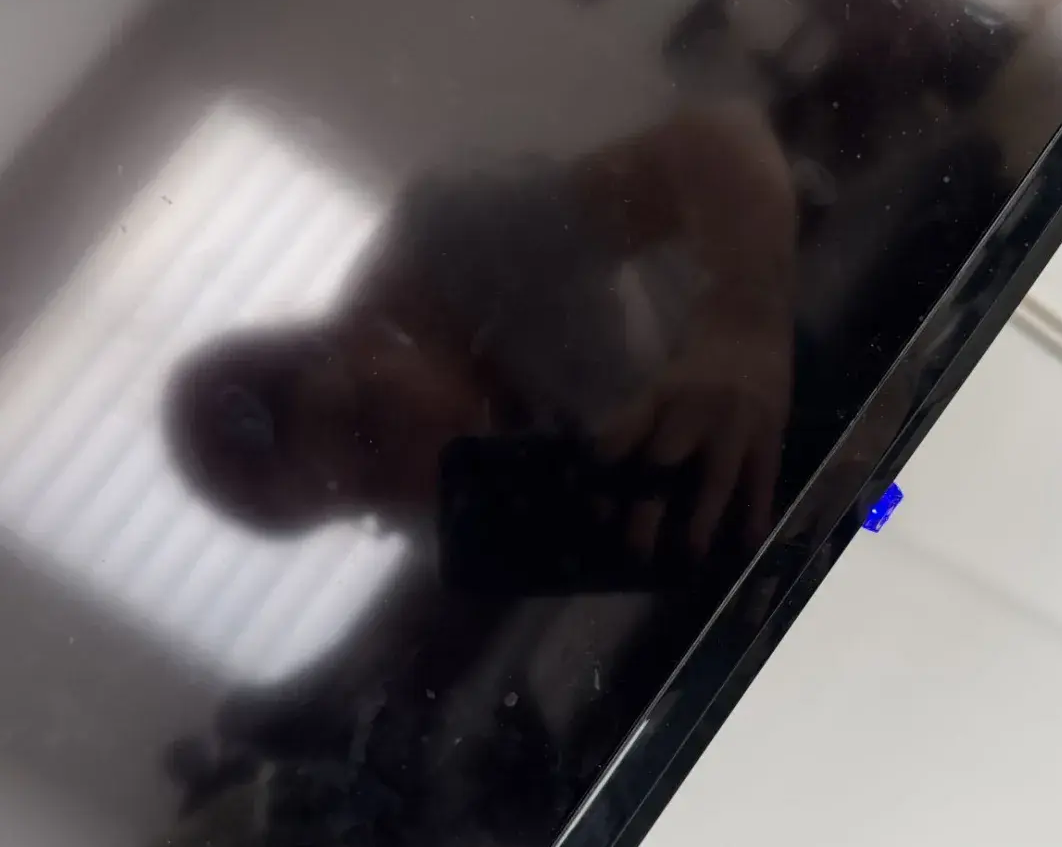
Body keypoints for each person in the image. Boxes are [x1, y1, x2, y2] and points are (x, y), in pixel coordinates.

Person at [165, 100, 798, 559]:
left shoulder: (460, 240)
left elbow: (718, 141)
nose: (418, 464)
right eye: (371, 496)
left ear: (354, 331)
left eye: (366, 422)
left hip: (810, 307)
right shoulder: (427, 505)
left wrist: (742, 321)